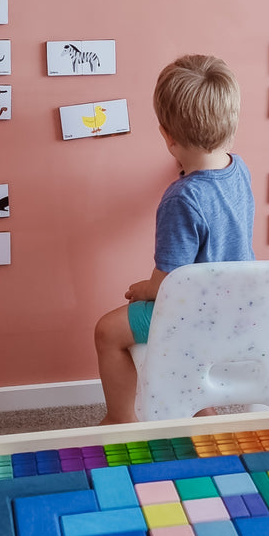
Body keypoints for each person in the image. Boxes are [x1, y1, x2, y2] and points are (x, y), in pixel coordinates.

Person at [94, 54, 255, 423]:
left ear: (167, 135)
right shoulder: (238, 168)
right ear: (230, 123)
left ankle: (121, 419)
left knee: (107, 331)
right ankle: (203, 412)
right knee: (180, 351)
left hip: (200, 314)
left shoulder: (181, 198)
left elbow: (169, 283)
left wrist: (141, 288)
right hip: (241, 306)